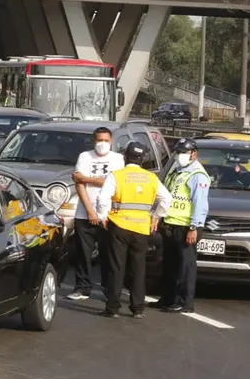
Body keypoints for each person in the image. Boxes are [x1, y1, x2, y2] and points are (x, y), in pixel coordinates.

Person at [96, 141, 173, 319]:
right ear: (142, 159)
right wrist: (156, 216)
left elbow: (103, 198)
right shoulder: (151, 178)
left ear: (124, 157)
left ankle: (112, 307)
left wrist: (102, 216)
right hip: (141, 228)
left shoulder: (117, 175)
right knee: (138, 268)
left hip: (119, 226)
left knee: (117, 267)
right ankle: (137, 308)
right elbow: (166, 198)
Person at [66, 127, 125, 301]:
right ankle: (82, 288)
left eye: (106, 141)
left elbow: (115, 183)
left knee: (109, 255)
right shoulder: (85, 157)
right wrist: (90, 210)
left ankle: (109, 290)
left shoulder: (117, 159)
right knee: (83, 254)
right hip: (85, 214)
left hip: (109, 215)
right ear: (94, 141)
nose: (103, 144)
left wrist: (86, 178)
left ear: (111, 141)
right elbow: (78, 183)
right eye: (100, 140)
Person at [159, 138, 210, 314]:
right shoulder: (177, 170)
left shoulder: (198, 175)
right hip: (170, 223)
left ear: (194, 154)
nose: (179, 155)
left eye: (183, 152)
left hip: (186, 226)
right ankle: (167, 298)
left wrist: (194, 228)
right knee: (170, 265)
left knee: (185, 266)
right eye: (178, 152)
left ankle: (184, 302)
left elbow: (200, 204)